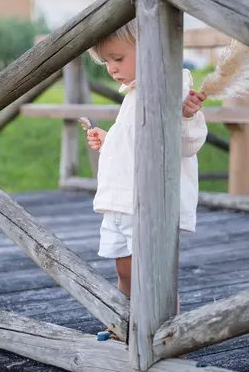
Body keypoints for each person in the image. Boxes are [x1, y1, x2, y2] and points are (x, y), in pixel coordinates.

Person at [85, 18, 208, 339]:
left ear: (151, 47)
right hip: (120, 200)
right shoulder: (133, 94)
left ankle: (168, 334)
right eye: (107, 62)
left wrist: (185, 116)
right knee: (124, 269)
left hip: (149, 203)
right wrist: (107, 137)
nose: (112, 69)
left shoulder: (172, 87)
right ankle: (126, 323)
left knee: (153, 274)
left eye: (118, 58)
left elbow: (187, 144)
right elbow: (137, 139)